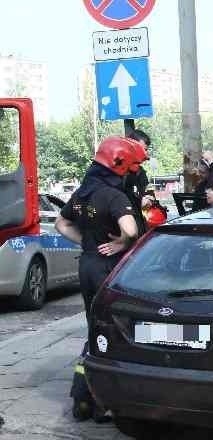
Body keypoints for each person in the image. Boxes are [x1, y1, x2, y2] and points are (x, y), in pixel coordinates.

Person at [55, 136, 146, 421]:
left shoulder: (82, 193)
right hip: (110, 270)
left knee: (95, 330)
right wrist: (121, 243)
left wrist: (86, 243)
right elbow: (130, 230)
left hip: (88, 265)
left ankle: (83, 399)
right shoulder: (113, 195)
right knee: (113, 333)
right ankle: (102, 401)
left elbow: (61, 223)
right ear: (120, 167)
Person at [124, 129, 153, 236]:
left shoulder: (141, 173)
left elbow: (149, 194)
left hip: (139, 230)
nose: (146, 155)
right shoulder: (115, 173)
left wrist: (149, 199)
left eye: (146, 150)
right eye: (143, 149)